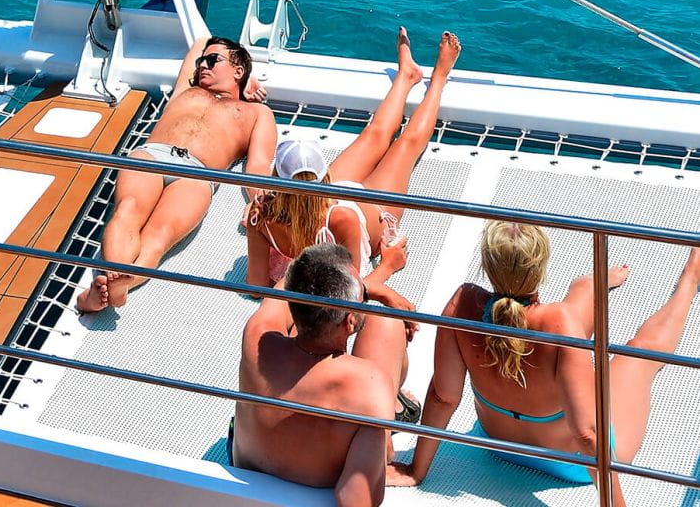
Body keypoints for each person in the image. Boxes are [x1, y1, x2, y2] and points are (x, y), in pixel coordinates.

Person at [388, 222, 700, 499]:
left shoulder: (462, 302)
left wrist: (417, 470)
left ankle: (592, 284)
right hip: (571, 462)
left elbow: (443, 397)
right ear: (540, 268)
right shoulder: (558, 322)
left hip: (497, 442)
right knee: (640, 350)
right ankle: (690, 279)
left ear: (488, 266)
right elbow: (587, 434)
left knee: (579, 296)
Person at [76, 36, 277, 316]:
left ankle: (110, 289)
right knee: (127, 209)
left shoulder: (257, 113)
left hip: (198, 173)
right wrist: (244, 77)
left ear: (237, 70)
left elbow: (258, 164)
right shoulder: (188, 88)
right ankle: (113, 280)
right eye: (201, 62)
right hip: (153, 155)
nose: (203, 65)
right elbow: (201, 40)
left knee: (161, 235)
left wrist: (257, 200)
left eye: (213, 60)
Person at [246, 28, 460, 287]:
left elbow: (256, 286)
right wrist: (387, 266)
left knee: (377, 137)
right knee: (404, 144)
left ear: (276, 178)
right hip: (366, 210)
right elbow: (353, 289)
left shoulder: (260, 215)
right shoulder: (340, 219)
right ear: (323, 176)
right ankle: (439, 78)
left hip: (327, 203)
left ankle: (407, 76)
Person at [235, 241, 412, 507]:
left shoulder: (256, 336)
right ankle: (391, 421)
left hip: (249, 469)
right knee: (387, 323)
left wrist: (365, 286)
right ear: (350, 321)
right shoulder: (368, 385)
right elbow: (354, 499)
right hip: (315, 490)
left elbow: (292, 278)